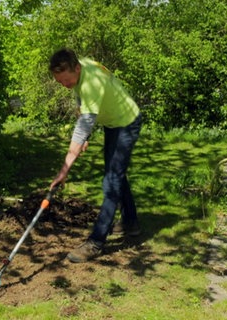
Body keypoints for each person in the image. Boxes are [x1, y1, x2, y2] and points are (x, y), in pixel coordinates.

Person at [48, 48, 142, 263]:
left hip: (127, 123)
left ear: (77, 68)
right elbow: (81, 101)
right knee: (116, 175)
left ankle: (96, 241)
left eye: (66, 80)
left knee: (111, 182)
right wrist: (85, 131)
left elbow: (83, 122)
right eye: (60, 82)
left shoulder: (92, 82)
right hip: (112, 124)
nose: (64, 85)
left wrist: (64, 170)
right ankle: (131, 223)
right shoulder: (80, 66)